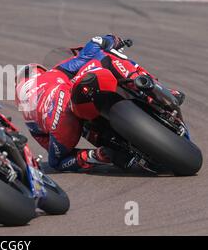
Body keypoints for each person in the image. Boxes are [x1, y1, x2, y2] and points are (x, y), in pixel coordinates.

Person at [15, 34, 184, 172]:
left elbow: (54, 157)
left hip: (63, 122)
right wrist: (113, 40)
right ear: (38, 71)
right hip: (69, 98)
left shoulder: (29, 120)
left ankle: (99, 154)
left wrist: (89, 156)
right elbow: (95, 44)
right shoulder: (52, 73)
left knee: (58, 161)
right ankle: (150, 87)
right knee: (104, 58)